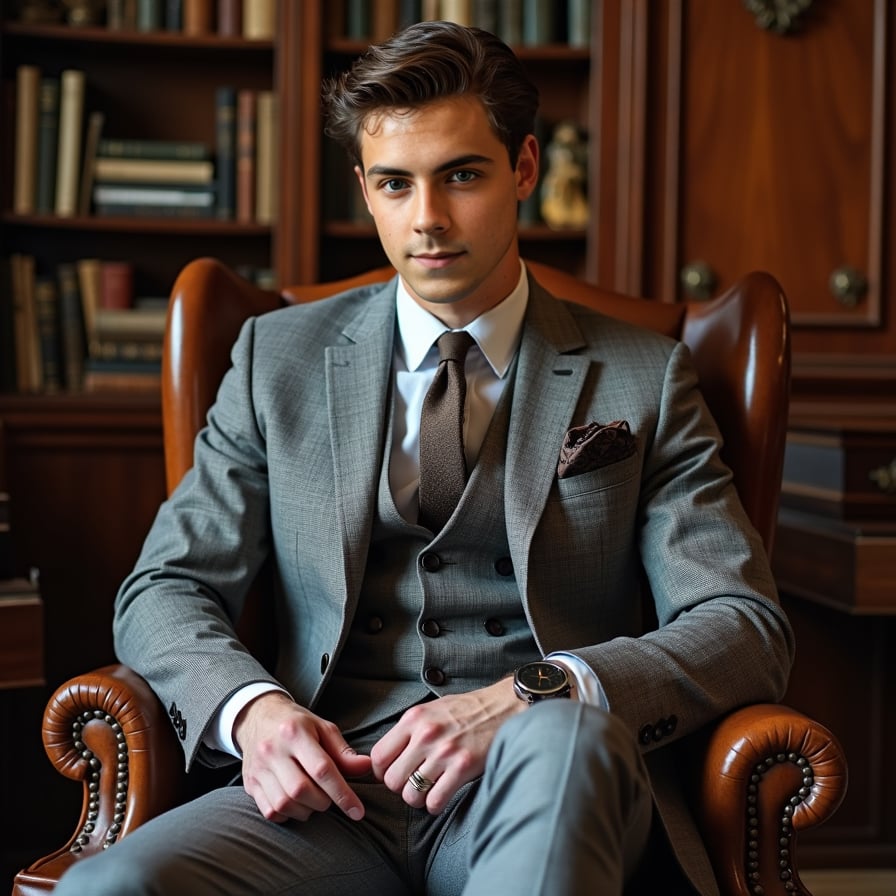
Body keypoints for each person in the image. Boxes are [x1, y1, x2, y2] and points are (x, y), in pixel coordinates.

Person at [54, 20, 793, 896]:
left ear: (523, 169)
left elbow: (743, 625)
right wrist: (254, 714)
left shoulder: (646, 374)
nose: (428, 219)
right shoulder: (274, 360)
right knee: (109, 889)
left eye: (463, 176)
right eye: (396, 185)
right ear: (365, 189)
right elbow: (165, 587)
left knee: (560, 746)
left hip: (540, 779)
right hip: (328, 797)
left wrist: (537, 694)